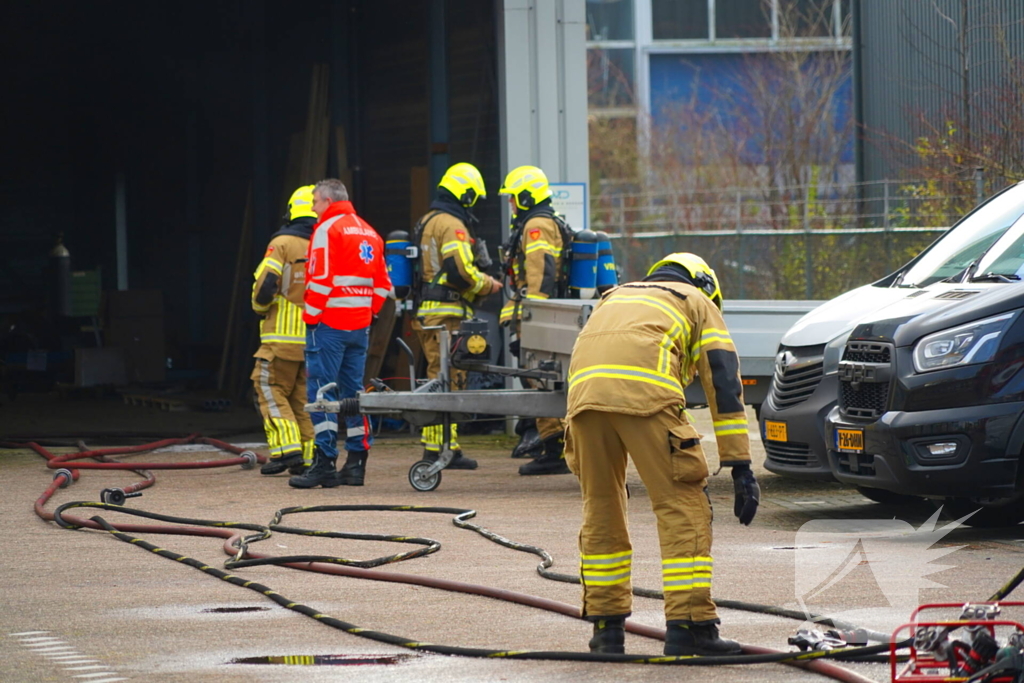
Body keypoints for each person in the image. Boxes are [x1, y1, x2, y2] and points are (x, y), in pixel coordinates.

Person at [563, 252, 760, 657]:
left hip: (583, 404)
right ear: (707, 286)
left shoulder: (614, 297)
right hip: (647, 397)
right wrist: (740, 464)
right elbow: (723, 382)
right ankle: (691, 628)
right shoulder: (696, 301)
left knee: (601, 507)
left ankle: (606, 631)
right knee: (682, 506)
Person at [290, 178, 392, 489]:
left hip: (329, 325)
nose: (312, 208)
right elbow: (384, 286)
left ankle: (324, 463)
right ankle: (356, 464)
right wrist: (367, 314)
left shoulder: (326, 229)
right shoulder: (370, 232)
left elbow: (320, 279)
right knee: (353, 395)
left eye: (315, 202)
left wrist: (311, 317)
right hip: (359, 327)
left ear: (328, 201)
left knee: (322, 393)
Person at [413, 162, 501, 469]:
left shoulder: (428, 219)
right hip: (446, 316)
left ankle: (444, 446)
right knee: (447, 380)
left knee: (442, 378)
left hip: (431, 313)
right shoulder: (452, 224)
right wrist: (488, 284)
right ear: (465, 194)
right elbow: (460, 270)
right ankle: (439, 451)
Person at [497, 165, 569, 475]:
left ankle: (555, 450)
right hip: (535, 313)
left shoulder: (536, 225)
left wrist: (532, 321)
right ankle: (556, 446)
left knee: (539, 378)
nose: (511, 204)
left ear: (527, 197)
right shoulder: (541, 221)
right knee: (540, 378)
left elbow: (541, 273)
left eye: (513, 198)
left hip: (536, 316)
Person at [251, 185, 317, 476]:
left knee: (270, 389)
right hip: (313, 339)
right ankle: (305, 458)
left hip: (280, 338)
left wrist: (259, 307)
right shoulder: (324, 245)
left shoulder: (282, 243)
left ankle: (288, 450)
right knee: (301, 399)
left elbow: (266, 286)